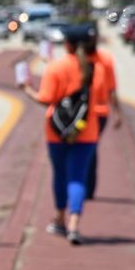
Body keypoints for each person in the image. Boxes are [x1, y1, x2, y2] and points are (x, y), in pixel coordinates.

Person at [20, 22, 110, 244]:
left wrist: (26, 89)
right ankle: (74, 224)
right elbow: (101, 99)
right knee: (78, 177)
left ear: (67, 44)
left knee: (60, 174)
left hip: (57, 132)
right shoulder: (97, 69)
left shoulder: (56, 67)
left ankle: (60, 218)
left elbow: (45, 99)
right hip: (87, 132)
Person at [84, 33, 123, 199]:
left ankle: (88, 188)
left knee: (90, 148)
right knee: (83, 149)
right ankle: (80, 185)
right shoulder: (78, 59)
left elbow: (112, 88)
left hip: (99, 113)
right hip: (81, 113)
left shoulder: (105, 59)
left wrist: (118, 112)